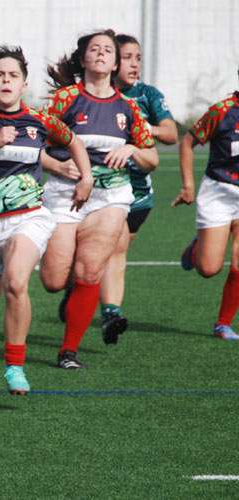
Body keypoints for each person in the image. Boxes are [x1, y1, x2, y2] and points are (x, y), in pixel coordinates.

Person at [0, 46, 91, 394]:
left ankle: (15, 365)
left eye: (13, 76)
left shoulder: (39, 121)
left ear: (23, 84)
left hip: (28, 217)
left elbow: (74, 142)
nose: (6, 80)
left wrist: (85, 177)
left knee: (16, 284)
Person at [42, 29, 158, 368]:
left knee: (90, 271)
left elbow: (152, 158)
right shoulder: (65, 99)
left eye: (109, 49)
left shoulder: (129, 108)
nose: (102, 53)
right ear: (83, 59)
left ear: (116, 61)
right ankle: (67, 289)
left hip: (111, 196)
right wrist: (56, 165)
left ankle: (68, 352)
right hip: (65, 194)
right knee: (52, 280)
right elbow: (31, 142)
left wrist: (133, 148)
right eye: (95, 49)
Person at [94, 33, 178, 341]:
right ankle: (107, 310)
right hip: (102, 191)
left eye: (138, 58)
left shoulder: (147, 95)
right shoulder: (93, 94)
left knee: (114, 249)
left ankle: (107, 310)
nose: (134, 63)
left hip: (139, 194)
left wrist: (142, 129)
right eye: (128, 57)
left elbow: (170, 133)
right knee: (109, 249)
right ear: (114, 62)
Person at [173, 68, 239, 340]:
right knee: (209, 269)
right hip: (219, 193)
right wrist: (188, 186)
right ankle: (197, 248)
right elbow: (187, 142)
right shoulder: (222, 111)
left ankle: (223, 323)